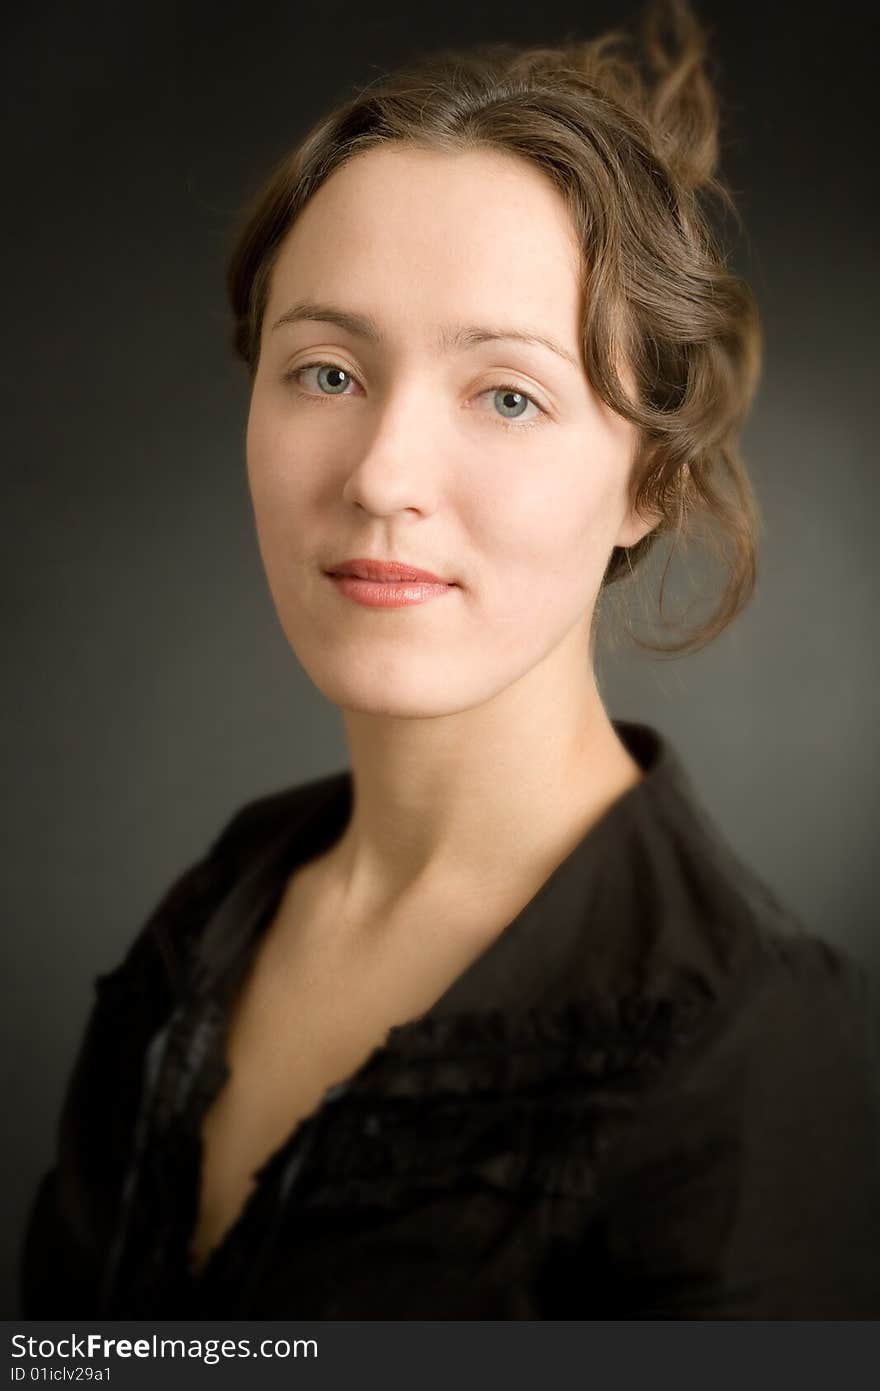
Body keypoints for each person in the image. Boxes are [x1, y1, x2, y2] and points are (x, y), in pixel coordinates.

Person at [20, 0, 880, 1319]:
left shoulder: (763, 1048)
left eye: (509, 394)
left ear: (651, 477)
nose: (381, 476)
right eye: (325, 372)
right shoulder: (209, 922)